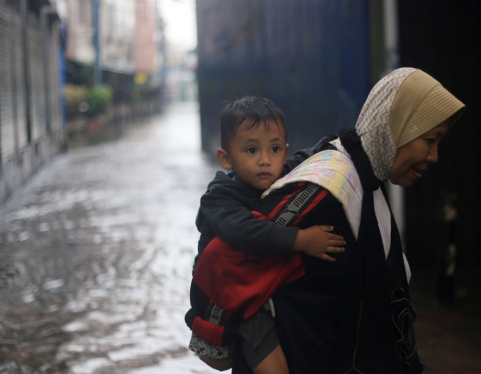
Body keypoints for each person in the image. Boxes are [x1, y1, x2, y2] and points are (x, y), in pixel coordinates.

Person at [192, 67, 465, 373]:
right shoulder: (325, 191)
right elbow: (222, 264)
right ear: (397, 128)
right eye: (429, 139)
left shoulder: (352, 177)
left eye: (275, 149)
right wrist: (210, 335)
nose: (434, 155)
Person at [186, 96, 346, 373]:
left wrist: (334, 145)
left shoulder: (280, 174)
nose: (265, 160)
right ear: (226, 158)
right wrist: (301, 240)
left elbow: (305, 158)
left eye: (274, 149)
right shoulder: (219, 198)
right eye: (251, 150)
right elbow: (245, 231)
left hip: (259, 285)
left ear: (284, 153)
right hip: (230, 297)